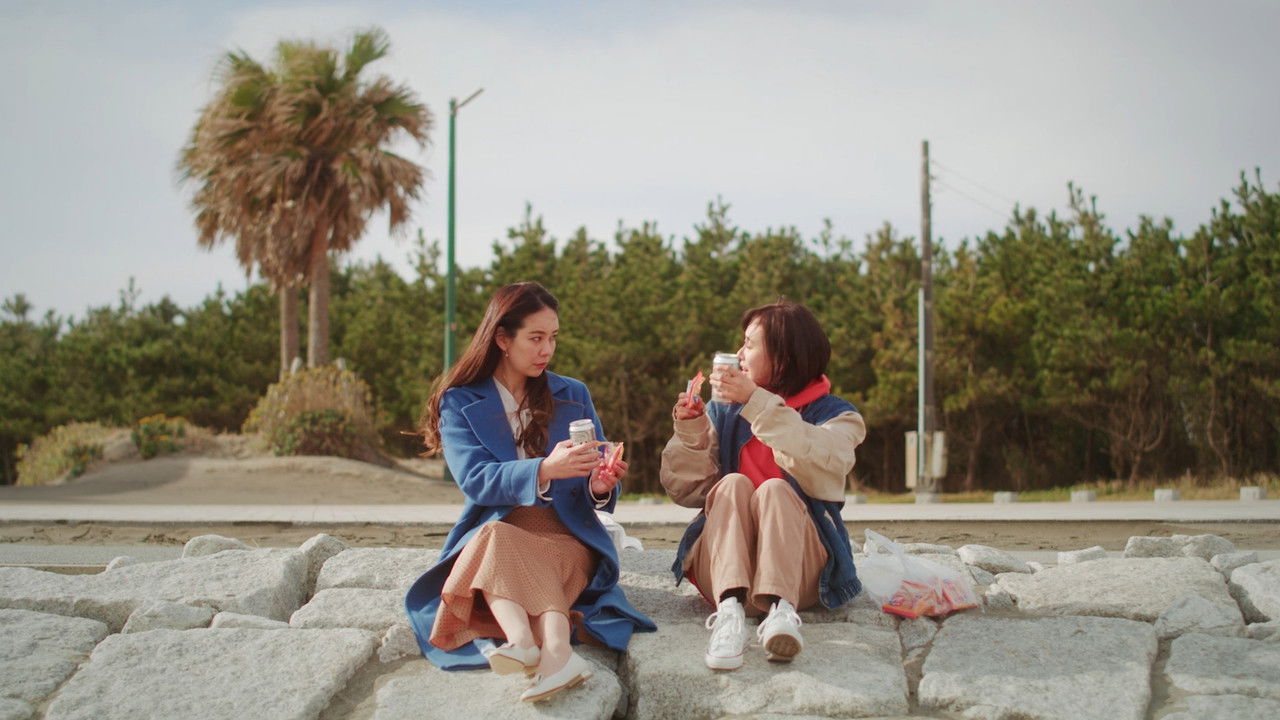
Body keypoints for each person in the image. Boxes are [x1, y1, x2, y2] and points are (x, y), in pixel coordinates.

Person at [404, 281, 654, 702]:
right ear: (502, 338)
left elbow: (597, 489)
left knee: (497, 543)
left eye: (553, 338)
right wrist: (544, 469)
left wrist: (600, 484)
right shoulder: (458, 401)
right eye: (535, 338)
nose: (547, 350)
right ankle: (554, 650)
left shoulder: (573, 394)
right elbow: (476, 479)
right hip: (502, 528)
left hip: (571, 534)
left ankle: (522, 642)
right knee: (497, 537)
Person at [660, 301, 867, 671]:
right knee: (733, 484)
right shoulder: (724, 410)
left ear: (784, 359)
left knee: (774, 489)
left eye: (750, 345)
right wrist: (691, 431)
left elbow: (829, 460)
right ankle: (728, 616)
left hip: (799, 575)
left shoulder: (837, 415)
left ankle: (781, 614)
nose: (739, 355)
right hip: (725, 570)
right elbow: (685, 490)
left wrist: (756, 403)